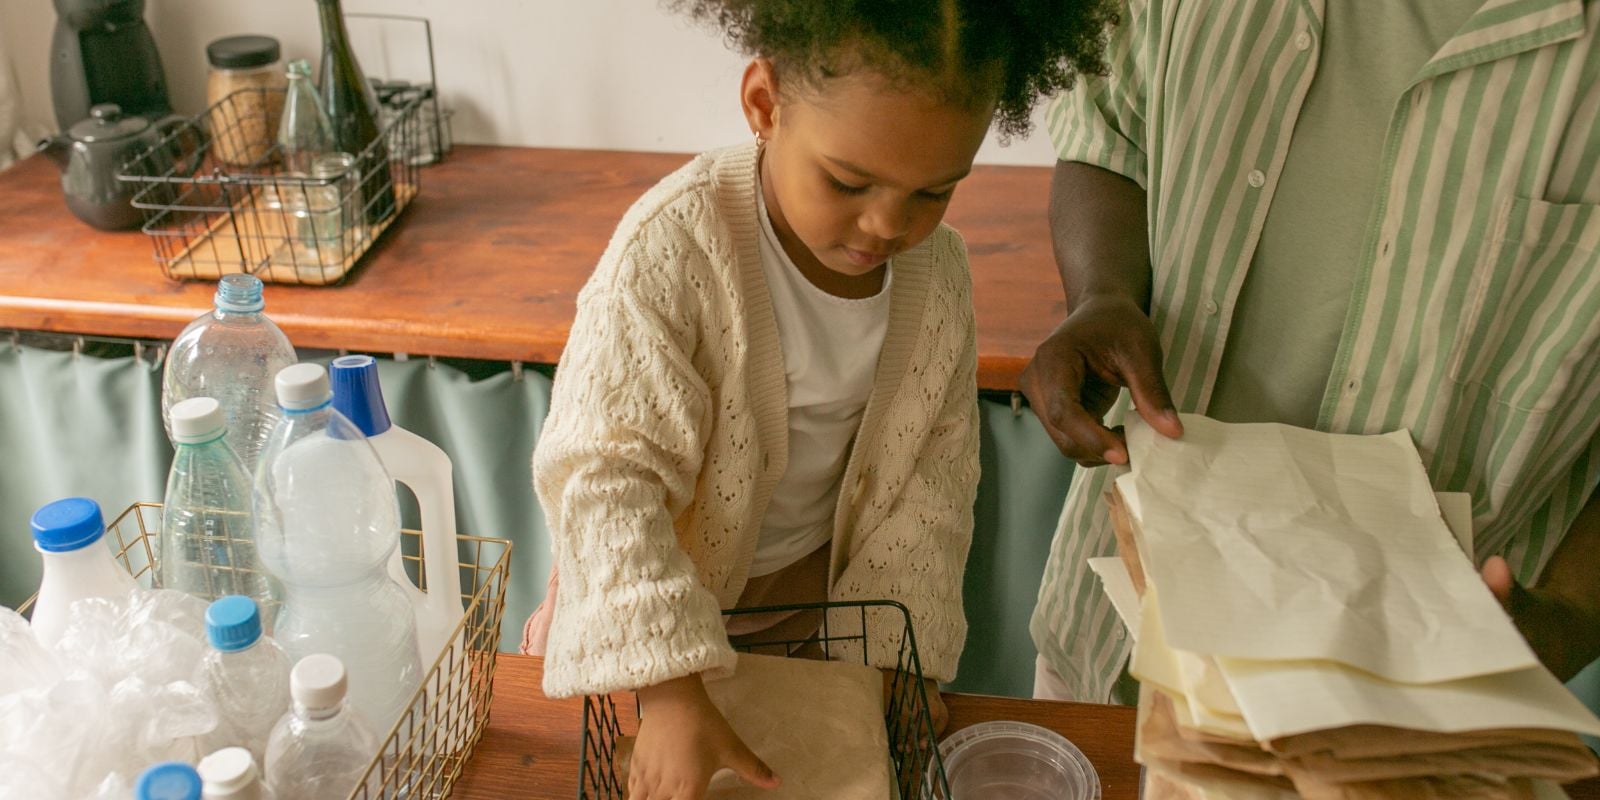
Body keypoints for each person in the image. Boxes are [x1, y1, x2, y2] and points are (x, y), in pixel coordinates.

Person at [525, 1, 1115, 797]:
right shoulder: (672, 252)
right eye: (848, 181)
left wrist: (894, 663)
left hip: (816, 608)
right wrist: (667, 690)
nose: (886, 224)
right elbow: (605, 481)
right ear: (765, 104)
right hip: (653, 599)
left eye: (934, 193)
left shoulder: (938, 277)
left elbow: (930, 488)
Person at [1021, 0, 1600, 704]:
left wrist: (1574, 613)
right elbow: (1108, 134)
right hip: (1111, 636)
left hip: (1425, 695)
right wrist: (1102, 292)